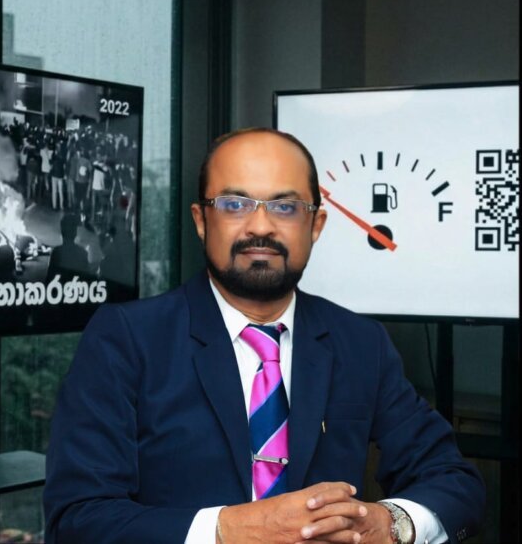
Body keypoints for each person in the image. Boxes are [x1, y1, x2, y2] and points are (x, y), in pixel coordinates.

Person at [44, 127, 485, 544]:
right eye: (235, 204)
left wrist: (390, 525)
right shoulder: (127, 339)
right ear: (201, 220)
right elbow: (78, 519)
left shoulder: (359, 342)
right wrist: (228, 530)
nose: (260, 227)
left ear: (316, 225)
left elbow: (454, 481)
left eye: (285, 207)